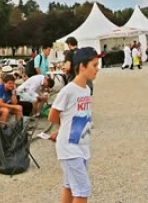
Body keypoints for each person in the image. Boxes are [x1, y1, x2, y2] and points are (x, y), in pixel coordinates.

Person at [49, 47, 99, 203]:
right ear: (82, 67)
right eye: (94, 65)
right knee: (82, 190)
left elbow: (74, 116)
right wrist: (64, 129)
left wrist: (63, 129)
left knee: (70, 185)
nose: (97, 69)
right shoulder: (68, 90)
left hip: (81, 145)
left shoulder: (86, 89)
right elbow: (53, 115)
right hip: (70, 149)